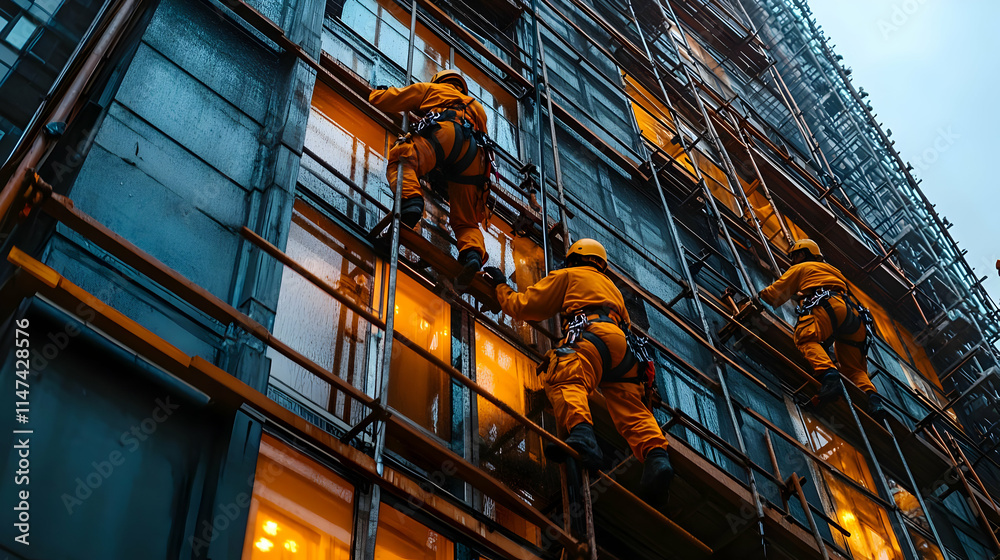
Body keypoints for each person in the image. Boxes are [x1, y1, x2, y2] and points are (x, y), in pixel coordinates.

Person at [481, 238, 674, 505]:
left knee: (565, 374)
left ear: (574, 258)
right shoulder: (613, 291)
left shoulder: (569, 275)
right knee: (631, 409)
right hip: (624, 349)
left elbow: (523, 307)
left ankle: (582, 434)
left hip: (591, 336)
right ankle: (656, 457)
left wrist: (501, 286)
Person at [369, 69, 491, 285]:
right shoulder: (478, 109)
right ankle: (472, 254)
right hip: (475, 156)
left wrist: (376, 94)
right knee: (467, 221)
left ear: (440, 81)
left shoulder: (434, 90)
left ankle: (411, 202)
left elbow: (396, 99)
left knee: (402, 158)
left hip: (447, 133)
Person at [758, 239, 889, 420]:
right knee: (855, 369)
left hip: (828, 307)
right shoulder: (834, 272)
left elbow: (775, 294)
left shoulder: (801, 268)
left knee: (805, 337)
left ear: (802, 254)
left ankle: (829, 375)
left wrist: (759, 298)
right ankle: (873, 399)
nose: (792, 262)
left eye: (794, 257)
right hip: (853, 315)